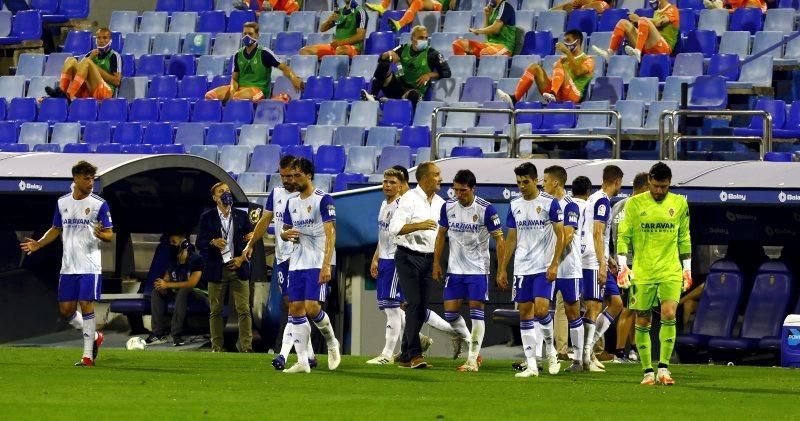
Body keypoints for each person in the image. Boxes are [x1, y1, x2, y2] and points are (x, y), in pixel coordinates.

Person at [20, 161, 113, 366]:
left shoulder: (99, 204)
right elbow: (56, 228)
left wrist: (102, 235)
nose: (91, 183)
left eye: (93, 179)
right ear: (76, 179)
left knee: (86, 304)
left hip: (90, 265)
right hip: (68, 266)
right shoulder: (63, 203)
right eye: (87, 179)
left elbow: (109, 234)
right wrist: (39, 244)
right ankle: (96, 336)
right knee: (66, 310)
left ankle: (87, 356)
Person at [617, 162, 692, 386]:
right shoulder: (634, 204)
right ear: (649, 180)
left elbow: (684, 237)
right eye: (656, 186)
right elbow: (623, 236)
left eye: (664, 187)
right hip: (643, 271)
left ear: (670, 183)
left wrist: (687, 269)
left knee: (669, 314)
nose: (660, 191)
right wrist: (623, 265)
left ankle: (664, 369)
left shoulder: (679, 203)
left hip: (670, 270)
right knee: (642, 319)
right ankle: (647, 370)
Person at [243, 156, 318, 369]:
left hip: (304, 258)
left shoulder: (309, 196)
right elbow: (265, 220)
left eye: (289, 176)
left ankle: (302, 350)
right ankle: (308, 354)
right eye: (282, 176)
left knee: (303, 307)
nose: (285, 180)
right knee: (291, 305)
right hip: (283, 258)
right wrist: (250, 245)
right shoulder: (275, 194)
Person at [432, 170, 506, 372]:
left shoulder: (486, 209)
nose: (458, 194)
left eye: (463, 190)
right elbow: (440, 235)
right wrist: (436, 262)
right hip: (455, 269)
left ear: (473, 189)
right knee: (450, 314)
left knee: (476, 313)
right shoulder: (447, 207)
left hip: (478, 269)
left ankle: (472, 359)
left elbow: (500, 239)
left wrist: (501, 270)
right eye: (455, 189)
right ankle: (466, 340)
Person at [500, 162, 565, 378]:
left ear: (535, 180)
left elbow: (561, 234)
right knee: (525, 313)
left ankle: (551, 350)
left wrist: (555, 263)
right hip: (521, 268)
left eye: (525, 182)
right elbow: (511, 238)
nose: (521, 186)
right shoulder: (515, 204)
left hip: (543, 266)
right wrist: (502, 267)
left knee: (542, 310)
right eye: (518, 182)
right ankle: (531, 365)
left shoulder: (549, 203)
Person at [280, 158, 342, 373]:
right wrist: (284, 234)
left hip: (318, 260)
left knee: (312, 307)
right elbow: (285, 229)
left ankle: (332, 342)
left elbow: (331, 232)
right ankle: (303, 362)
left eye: (297, 176)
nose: (294, 180)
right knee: (295, 309)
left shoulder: (323, 200)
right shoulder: (292, 202)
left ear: (309, 175)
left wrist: (327, 265)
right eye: (291, 176)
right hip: (297, 261)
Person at [388, 162, 445, 369]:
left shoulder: (440, 202)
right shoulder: (408, 199)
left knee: (421, 308)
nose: (440, 178)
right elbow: (394, 228)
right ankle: (415, 355)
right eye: (437, 175)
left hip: (429, 260)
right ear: (424, 178)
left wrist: (437, 262)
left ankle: (404, 355)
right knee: (413, 304)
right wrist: (419, 225)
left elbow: (441, 235)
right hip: (408, 257)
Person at [197, 182, 254, 353]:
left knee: (244, 309)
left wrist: (243, 255)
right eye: (221, 192)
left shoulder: (241, 216)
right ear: (215, 197)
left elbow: (250, 241)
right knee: (216, 310)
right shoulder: (207, 217)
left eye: (227, 191)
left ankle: (246, 347)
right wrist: (212, 242)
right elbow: (199, 242)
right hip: (217, 268)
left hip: (238, 266)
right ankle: (217, 347)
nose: (225, 194)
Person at [541, 167, 587, 372]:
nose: (542, 184)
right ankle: (538, 357)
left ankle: (578, 359)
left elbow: (567, 236)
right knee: (539, 310)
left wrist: (554, 261)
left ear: (555, 183)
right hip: (546, 268)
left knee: (572, 312)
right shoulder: (544, 204)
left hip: (568, 269)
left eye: (545, 181)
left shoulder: (570, 206)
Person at [579, 165, 624, 372]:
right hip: (593, 261)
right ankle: (585, 355)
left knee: (616, 303)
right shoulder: (603, 201)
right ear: (617, 182)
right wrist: (602, 264)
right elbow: (597, 233)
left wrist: (609, 259)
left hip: (598, 258)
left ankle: (588, 350)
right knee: (593, 307)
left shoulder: (594, 198)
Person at [205, 22, 303, 102]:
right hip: (240, 89)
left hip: (259, 91)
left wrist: (294, 78)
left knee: (238, 98)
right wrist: (232, 90)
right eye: (245, 33)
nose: (247, 36)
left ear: (257, 36)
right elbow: (234, 78)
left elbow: (284, 67)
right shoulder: (238, 54)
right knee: (210, 96)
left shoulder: (265, 53)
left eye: (250, 34)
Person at [609, 172, 649, 363]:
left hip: (620, 262)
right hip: (633, 263)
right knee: (628, 308)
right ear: (643, 188)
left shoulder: (616, 206)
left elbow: (609, 237)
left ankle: (632, 349)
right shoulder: (639, 207)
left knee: (635, 306)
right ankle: (619, 353)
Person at [496, 30, 594, 105]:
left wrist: (567, 53)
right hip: (559, 94)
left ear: (577, 42)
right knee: (534, 67)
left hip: (575, 96)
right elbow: (558, 79)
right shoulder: (563, 59)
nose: (565, 44)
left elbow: (578, 72)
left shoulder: (588, 59)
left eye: (568, 40)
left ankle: (553, 93)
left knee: (558, 65)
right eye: (564, 41)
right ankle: (514, 98)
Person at [361, 25, 451, 107]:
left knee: (414, 95)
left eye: (426, 38)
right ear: (412, 38)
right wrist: (388, 53)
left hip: (413, 91)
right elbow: (381, 59)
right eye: (420, 37)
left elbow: (447, 72)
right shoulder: (403, 48)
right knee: (383, 65)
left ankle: (392, 104)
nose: (424, 40)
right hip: (396, 86)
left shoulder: (432, 54)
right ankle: (373, 97)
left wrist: (429, 75)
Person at [148, 234, 206, 347]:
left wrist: (167, 284)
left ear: (183, 244)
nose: (171, 245)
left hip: (197, 293)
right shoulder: (172, 260)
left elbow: (192, 283)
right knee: (157, 291)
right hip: (179, 293)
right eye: (170, 242)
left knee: (183, 291)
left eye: (174, 242)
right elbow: (167, 278)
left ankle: (177, 334)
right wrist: (162, 283)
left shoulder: (196, 259)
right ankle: (158, 333)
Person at [591, 0, 679, 63]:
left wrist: (639, 19)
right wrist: (635, 24)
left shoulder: (672, 9)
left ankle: (637, 51)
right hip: (649, 47)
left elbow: (659, 23)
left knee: (643, 20)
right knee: (623, 23)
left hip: (663, 49)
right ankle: (609, 53)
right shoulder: (656, 12)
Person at [46, 28, 121, 102]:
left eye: (105, 38)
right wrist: (90, 58)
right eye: (99, 38)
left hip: (105, 93)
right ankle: (61, 93)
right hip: (87, 91)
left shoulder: (114, 55)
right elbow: (79, 72)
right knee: (70, 60)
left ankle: (70, 96)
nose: (101, 41)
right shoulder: (90, 54)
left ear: (110, 40)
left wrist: (95, 68)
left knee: (87, 62)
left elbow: (117, 81)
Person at [299, 1, 367, 58]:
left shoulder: (360, 11)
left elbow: (360, 36)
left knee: (340, 50)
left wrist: (340, 43)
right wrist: (329, 20)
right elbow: (322, 29)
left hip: (352, 48)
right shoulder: (340, 12)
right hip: (336, 47)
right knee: (305, 50)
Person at [452, 0, 517, 57]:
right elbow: (487, 34)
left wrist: (477, 30)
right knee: (458, 44)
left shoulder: (505, 7)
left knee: (485, 52)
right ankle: (464, 68)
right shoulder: (492, 8)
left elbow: (495, 29)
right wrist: (486, 15)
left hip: (504, 47)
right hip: (489, 45)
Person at [366, 0, 456, 32]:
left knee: (417, 2)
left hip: (437, 6)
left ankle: (400, 23)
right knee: (417, 2)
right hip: (419, 3)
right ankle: (383, 6)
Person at [234, 0, 300, 14]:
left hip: (290, 12)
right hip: (275, 13)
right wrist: (244, 5)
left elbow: (268, 7)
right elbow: (246, 4)